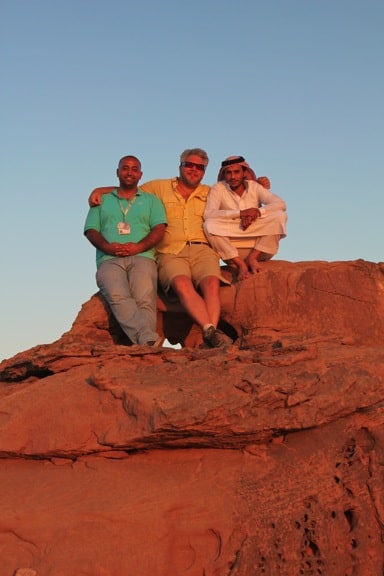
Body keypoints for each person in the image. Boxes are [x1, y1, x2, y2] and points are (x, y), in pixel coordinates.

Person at [88, 149, 232, 349]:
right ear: (180, 166)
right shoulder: (158, 188)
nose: (193, 170)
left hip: (202, 248)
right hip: (171, 250)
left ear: (204, 171)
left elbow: (238, 193)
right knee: (181, 284)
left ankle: (210, 333)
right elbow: (129, 188)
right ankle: (202, 331)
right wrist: (100, 189)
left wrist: (258, 183)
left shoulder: (211, 192)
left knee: (211, 284)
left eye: (199, 167)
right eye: (189, 165)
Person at [84, 155, 167, 347]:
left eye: (134, 169)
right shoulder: (101, 200)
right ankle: (147, 339)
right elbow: (91, 230)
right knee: (116, 294)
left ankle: (145, 344)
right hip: (108, 258)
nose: (129, 172)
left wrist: (138, 246)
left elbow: (159, 229)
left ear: (140, 174)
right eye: (125, 168)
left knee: (144, 298)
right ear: (117, 172)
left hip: (142, 255)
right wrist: (107, 247)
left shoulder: (151, 201)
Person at [203, 156, 287, 281]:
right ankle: (241, 264)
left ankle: (252, 258)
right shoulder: (218, 188)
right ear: (224, 174)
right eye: (229, 173)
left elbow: (280, 204)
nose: (233, 177)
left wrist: (257, 212)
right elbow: (209, 214)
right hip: (232, 251)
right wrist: (241, 214)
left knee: (280, 216)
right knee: (209, 225)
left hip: (260, 249)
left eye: (237, 172)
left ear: (244, 173)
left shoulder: (254, 187)